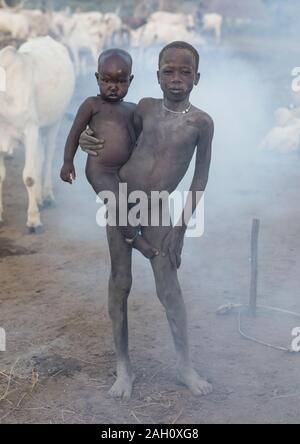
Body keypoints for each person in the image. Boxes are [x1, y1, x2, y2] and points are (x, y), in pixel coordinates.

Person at [80, 41, 214, 399]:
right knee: (120, 281)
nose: (176, 79)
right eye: (168, 71)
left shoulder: (201, 123)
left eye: (185, 72)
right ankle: (124, 368)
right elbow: (112, 134)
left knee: (168, 286)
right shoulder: (143, 108)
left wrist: (180, 228)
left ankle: (184, 366)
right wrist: (84, 139)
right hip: (122, 198)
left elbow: (200, 179)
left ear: (197, 78)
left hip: (159, 209)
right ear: (156, 76)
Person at [60, 48, 158, 259]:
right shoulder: (91, 105)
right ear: (97, 78)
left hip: (126, 172)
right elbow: (75, 133)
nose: (113, 87)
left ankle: (136, 232)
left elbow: (141, 138)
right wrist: (68, 162)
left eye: (121, 82)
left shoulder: (132, 109)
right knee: (116, 204)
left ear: (130, 80)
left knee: (129, 203)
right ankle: (136, 240)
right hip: (100, 170)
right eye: (106, 81)